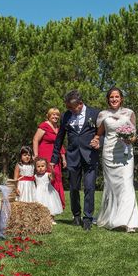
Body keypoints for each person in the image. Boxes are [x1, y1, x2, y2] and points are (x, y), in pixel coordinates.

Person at [90, 87, 138, 232]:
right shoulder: (103, 115)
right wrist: (95, 140)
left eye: (117, 97)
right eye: (111, 97)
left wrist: (131, 139)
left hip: (125, 154)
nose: (114, 99)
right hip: (109, 153)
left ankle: (127, 221)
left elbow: (134, 134)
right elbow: (99, 134)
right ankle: (111, 216)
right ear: (108, 99)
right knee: (112, 186)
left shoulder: (129, 113)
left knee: (126, 183)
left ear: (121, 98)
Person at [51, 90, 100, 231]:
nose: (70, 110)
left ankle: (88, 218)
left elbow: (102, 133)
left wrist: (99, 141)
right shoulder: (66, 116)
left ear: (80, 104)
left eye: (72, 108)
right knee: (73, 188)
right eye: (68, 108)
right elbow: (59, 138)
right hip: (73, 156)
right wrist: (54, 158)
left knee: (89, 187)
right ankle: (76, 215)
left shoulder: (94, 113)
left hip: (90, 155)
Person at [32, 107, 66, 208]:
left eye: (57, 115)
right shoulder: (44, 126)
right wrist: (36, 156)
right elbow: (35, 139)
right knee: (46, 180)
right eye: (53, 114)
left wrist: (63, 157)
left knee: (56, 178)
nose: (55, 117)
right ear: (48, 116)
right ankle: (44, 205)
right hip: (45, 157)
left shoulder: (58, 128)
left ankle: (55, 205)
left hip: (56, 158)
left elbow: (60, 144)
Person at [33, 156, 63, 223]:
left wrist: (52, 171)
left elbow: (52, 178)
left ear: (46, 167)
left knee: (51, 205)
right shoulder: (35, 176)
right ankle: (41, 219)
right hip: (38, 193)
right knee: (40, 205)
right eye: (38, 166)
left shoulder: (47, 174)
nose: (40, 168)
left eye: (42, 166)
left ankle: (51, 218)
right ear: (36, 168)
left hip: (48, 193)